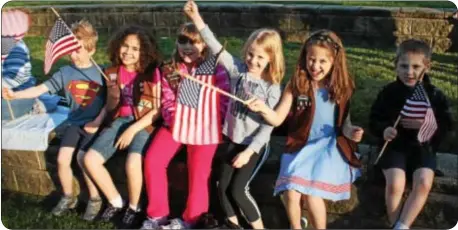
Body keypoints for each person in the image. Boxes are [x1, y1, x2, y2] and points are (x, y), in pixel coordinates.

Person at [248, 29, 364, 229]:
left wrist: (352, 131)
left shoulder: (340, 89)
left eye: (322, 62)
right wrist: (263, 109)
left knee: (311, 193)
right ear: (304, 58)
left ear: (334, 62)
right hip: (300, 145)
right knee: (291, 193)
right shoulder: (297, 85)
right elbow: (277, 119)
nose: (315, 66)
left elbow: (345, 123)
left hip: (328, 148)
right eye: (311, 59)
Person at [184, 1, 285, 228]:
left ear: (271, 59)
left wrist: (249, 152)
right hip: (231, 140)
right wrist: (197, 19)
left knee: (239, 191)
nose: (253, 61)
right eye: (250, 54)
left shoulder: (272, 87)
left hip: (252, 146)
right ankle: (234, 227)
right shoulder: (237, 70)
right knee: (221, 187)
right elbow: (215, 46)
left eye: (260, 57)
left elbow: (268, 128)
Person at [2, 20, 106, 221]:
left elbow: (112, 100)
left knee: (83, 160)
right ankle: (68, 197)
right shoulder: (65, 72)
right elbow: (40, 89)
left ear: (91, 50)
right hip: (74, 123)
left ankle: (95, 198)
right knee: (61, 159)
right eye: (71, 50)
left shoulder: (101, 72)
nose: (73, 55)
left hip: (94, 125)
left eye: (79, 50)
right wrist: (16, 95)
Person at [141, 22, 230, 229]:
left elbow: (225, 103)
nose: (187, 47)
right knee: (153, 160)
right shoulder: (170, 68)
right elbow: (167, 100)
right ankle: (157, 215)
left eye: (195, 42)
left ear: (205, 45)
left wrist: (208, 123)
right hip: (177, 125)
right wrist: (177, 122)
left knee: (199, 170)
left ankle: (190, 219)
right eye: (183, 41)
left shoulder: (216, 68)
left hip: (206, 127)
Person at [83, 25, 162, 228]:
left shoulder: (153, 74)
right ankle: (116, 201)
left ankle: (134, 207)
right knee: (90, 159)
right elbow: (109, 106)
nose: (128, 52)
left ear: (145, 51)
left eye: (135, 49)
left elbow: (157, 111)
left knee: (132, 162)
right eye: (125, 46)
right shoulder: (111, 72)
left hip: (145, 124)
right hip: (120, 120)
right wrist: (101, 117)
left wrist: (132, 129)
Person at [369, 39, 453, 229]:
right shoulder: (388, 93)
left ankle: (402, 225)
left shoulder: (434, 95)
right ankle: (394, 224)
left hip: (423, 147)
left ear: (427, 66)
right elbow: (374, 118)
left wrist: (427, 127)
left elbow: (446, 125)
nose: (409, 72)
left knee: (423, 182)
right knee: (396, 184)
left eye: (416, 66)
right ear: (395, 65)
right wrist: (384, 129)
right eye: (404, 66)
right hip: (395, 146)